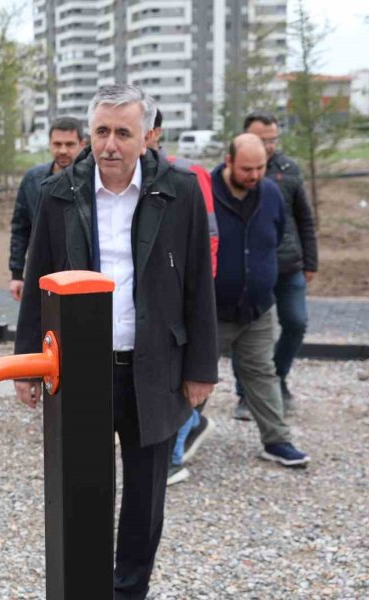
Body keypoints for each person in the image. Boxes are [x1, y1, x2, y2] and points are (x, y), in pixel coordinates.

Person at [14, 84, 218, 600]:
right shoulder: (59, 194)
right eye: (101, 131)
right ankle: (86, 585)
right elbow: (38, 278)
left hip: (155, 366)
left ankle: (128, 591)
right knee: (83, 489)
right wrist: (27, 363)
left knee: (146, 499)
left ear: (148, 136)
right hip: (82, 369)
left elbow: (199, 282)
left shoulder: (180, 191)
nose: (109, 144)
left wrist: (201, 367)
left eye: (123, 133)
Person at [212, 134, 311, 468]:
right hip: (213, 311)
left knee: (262, 374)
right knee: (194, 377)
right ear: (228, 162)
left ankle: (277, 440)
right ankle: (172, 446)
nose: (254, 175)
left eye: (260, 168)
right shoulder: (204, 194)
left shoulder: (270, 193)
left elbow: (276, 235)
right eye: (246, 169)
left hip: (257, 308)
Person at [145, 109, 218, 486]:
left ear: (154, 133)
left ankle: (174, 455)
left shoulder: (187, 176)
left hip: (180, 294)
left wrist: (196, 290)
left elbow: (208, 238)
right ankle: (188, 428)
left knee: (177, 376)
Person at [233, 112, 319, 417]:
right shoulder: (233, 171)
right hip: (251, 269)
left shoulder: (289, 170)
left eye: (273, 140)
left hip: (288, 265)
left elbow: (304, 218)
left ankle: (277, 378)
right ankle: (246, 394)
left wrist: (311, 260)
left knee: (296, 322)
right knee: (245, 331)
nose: (269, 146)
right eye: (262, 140)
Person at [9, 117, 85, 300]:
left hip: (83, 273)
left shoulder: (92, 182)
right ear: (49, 144)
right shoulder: (33, 180)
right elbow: (21, 229)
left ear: (82, 144)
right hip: (42, 271)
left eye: (69, 144)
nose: (63, 150)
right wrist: (16, 274)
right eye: (57, 144)